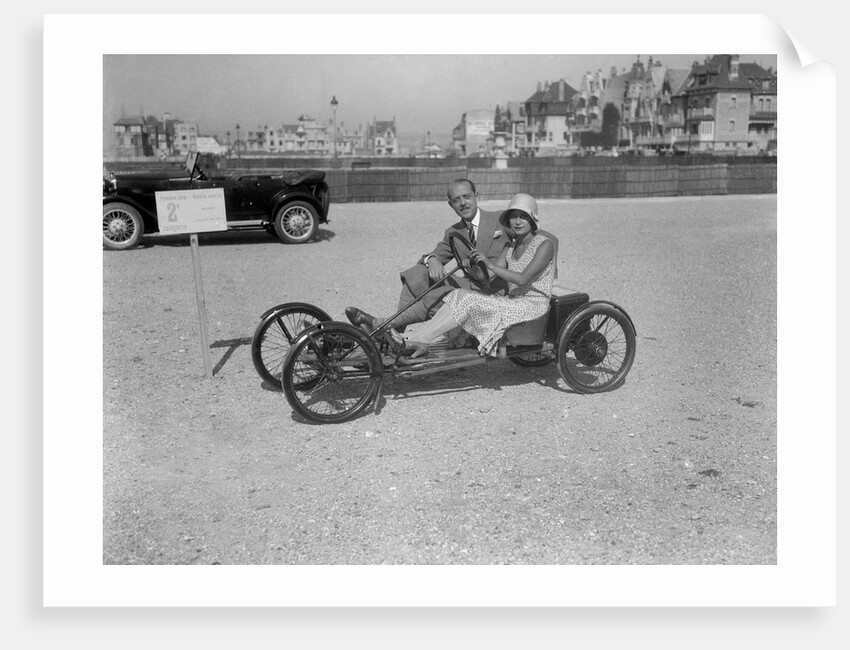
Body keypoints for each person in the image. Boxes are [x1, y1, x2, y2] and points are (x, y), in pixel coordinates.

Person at [396, 193, 555, 359]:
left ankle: (421, 338)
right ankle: (421, 337)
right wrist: (473, 264)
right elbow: (488, 275)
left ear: (533, 218)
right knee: (458, 294)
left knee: (469, 300)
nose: (517, 222)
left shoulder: (544, 244)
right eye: (513, 217)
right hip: (513, 302)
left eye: (523, 217)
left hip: (532, 306)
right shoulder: (511, 246)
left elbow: (522, 278)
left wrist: (489, 262)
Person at [345, 178, 511, 337]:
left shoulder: (500, 219)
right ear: (450, 204)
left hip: (495, 291)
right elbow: (434, 254)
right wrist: (432, 259)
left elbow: (527, 238)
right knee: (417, 273)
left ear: (476, 195)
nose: (463, 203)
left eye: (467, 197)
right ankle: (394, 333)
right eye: (456, 200)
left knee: (441, 294)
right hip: (469, 286)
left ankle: (381, 325)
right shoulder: (453, 232)